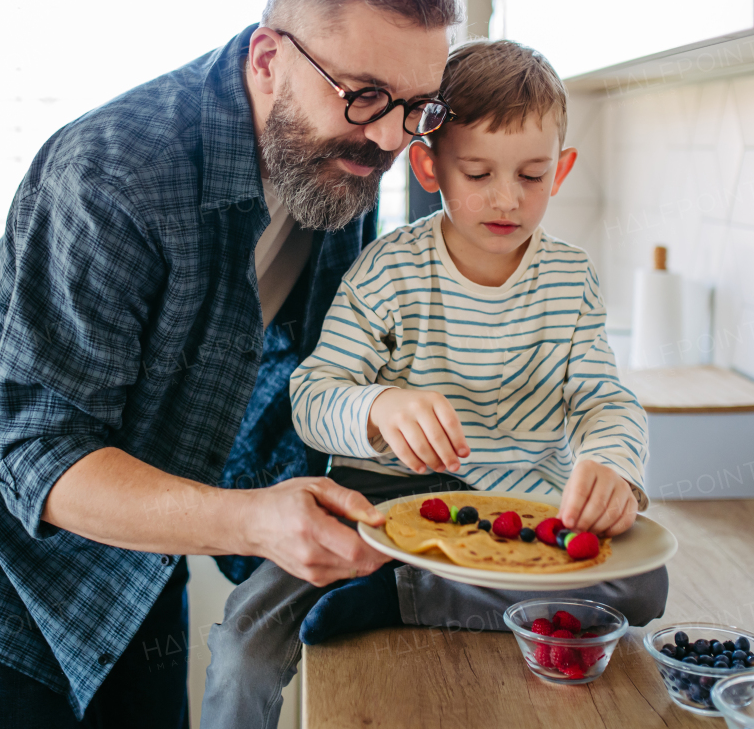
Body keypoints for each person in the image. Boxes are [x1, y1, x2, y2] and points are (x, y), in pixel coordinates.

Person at [0, 0, 466, 727]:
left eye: (416, 108)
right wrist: (254, 520)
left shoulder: (341, 172)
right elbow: (37, 452)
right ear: (269, 59)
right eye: (364, 95)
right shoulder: (117, 174)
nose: (387, 138)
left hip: (144, 521)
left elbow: (303, 371)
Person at [202, 40, 668, 729]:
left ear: (561, 171)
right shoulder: (387, 270)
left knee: (644, 584)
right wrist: (378, 406)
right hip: (380, 507)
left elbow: (604, 400)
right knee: (245, 634)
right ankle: (405, 580)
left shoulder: (571, 280)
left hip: (515, 509)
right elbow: (312, 396)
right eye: (477, 172)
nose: (506, 198)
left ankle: (400, 595)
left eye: (532, 175)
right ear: (429, 165)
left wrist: (611, 464)